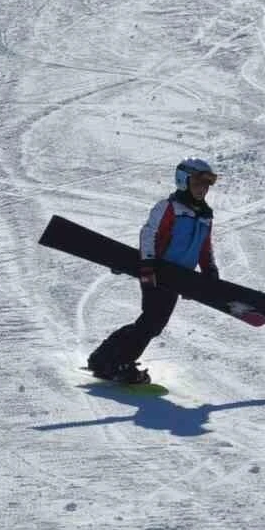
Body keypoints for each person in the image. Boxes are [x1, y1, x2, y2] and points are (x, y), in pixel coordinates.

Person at [86, 158, 220, 384]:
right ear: (183, 181)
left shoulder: (206, 216)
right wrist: (147, 264)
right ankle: (119, 362)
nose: (203, 189)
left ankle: (103, 358)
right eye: (198, 183)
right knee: (152, 322)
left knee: (151, 323)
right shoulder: (169, 207)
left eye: (206, 185)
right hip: (158, 271)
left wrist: (209, 270)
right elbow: (149, 233)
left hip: (178, 278)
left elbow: (204, 246)